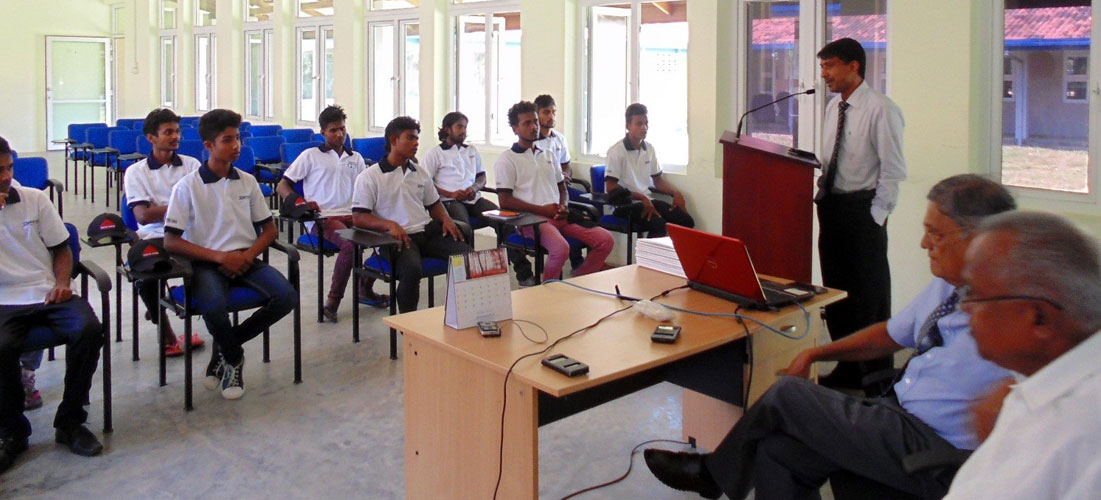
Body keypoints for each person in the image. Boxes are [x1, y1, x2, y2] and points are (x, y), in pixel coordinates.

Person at [643, 175, 1015, 500]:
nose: (923, 243)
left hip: (934, 447)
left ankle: (711, 474)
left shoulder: (1016, 314)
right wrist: (817, 353)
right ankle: (713, 475)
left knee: (788, 394)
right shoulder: (947, 287)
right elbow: (890, 334)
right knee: (778, 452)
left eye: (936, 233)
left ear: (979, 239)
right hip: (894, 414)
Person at [942, 212, 1101, 499]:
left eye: (975, 294)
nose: (965, 308)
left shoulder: (1081, 432)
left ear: (1038, 317)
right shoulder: (1036, 384)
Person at [163, 109, 298, 400]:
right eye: (227, 140)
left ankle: (226, 349)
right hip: (207, 263)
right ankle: (234, 358)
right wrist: (220, 257)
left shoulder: (247, 181)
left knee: (286, 297)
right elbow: (171, 241)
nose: (236, 145)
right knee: (213, 307)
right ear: (208, 145)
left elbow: (269, 230)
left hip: (246, 259)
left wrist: (247, 256)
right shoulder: (187, 187)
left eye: (237, 138)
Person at [0, 135, 105, 471]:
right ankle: (12, 430)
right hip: (4, 300)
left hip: (47, 292)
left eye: (9, 168)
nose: (6, 177)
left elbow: (62, 248)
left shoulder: (34, 199)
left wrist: (61, 283)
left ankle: (70, 421)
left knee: (89, 330)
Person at [814, 37, 907, 391]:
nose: (824, 74)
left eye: (830, 66)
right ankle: (847, 367)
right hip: (832, 207)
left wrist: (876, 217)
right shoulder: (832, 108)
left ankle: (876, 376)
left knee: (869, 296)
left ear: (854, 66)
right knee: (837, 294)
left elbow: (893, 171)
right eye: (822, 67)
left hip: (863, 211)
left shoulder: (881, 109)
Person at [351, 116, 472, 313]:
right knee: (412, 269)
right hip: (396, 239)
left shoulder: (420, 172)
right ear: (394, 140)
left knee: (467, 257)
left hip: (426, 232)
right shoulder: (370, 177)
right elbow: (359, 217)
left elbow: (434, 204)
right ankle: (407, 322)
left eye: (417, 138)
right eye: (410, 138)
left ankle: (464, 312)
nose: (416, 143)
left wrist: (446, 218)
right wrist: (390, 225)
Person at [277, 105, 386, 322]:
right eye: (333, 130)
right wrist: (300, 203)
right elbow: (283, 185)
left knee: (391, 235)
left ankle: (365, 287)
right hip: (324, 218)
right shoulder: (310, 156)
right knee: (350, 245)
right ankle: (332, 302)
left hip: (353, 215)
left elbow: (364, 189)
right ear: (323, 133)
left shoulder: (356, 158)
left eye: (342, 129)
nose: (339, 134)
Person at [494, 101, 613, 281]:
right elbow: (505, 201)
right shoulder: (507, 160)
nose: (534, 127)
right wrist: (543, 210)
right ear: (515, 129)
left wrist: (563, 205)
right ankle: (548, 289)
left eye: (535, 121)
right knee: (561, 249)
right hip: (532, 220)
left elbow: (561, 187)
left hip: (559, 215)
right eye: (527, 123)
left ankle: (579, 278)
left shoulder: (548, 153)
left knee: (605, 239)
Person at [421, 111, 534, 285]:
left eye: (465, 127)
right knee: (463, 228)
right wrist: (450, 193)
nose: (463, 131)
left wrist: (474, 188)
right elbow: (426, 184)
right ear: (447, 129)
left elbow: (481, 177)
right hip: (449, 202)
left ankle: (524, 273)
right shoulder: (435, 154)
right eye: (459, 127)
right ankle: (470, 279)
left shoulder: (471, 150)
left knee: (505, 221)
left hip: (474, 199)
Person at [124, 108, 203, 354]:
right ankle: (165, 328)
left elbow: (204, 203)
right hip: (155, 235)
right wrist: (183, 206)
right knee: (147, 270)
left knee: (215, 263)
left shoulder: (191, 164)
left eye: (177, 131)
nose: (175, 136)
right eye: (168, 132)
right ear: (151, 138)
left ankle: (166, 304)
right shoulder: (136, 172)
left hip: (191, 233)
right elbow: (143, 216)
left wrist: (162, 208)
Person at [604, 103, 694, 237]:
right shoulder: (616, 151)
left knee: (686, 221)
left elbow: (658, 181)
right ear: (628, 126)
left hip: (647, 200)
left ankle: (671, 252)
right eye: (639, 124)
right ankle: (647, 252)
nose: (644, 127)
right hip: (624, 205)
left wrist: (675, 193)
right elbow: (611, 187)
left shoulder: (649, 149)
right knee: (658, 224)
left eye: (646, 123)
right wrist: (641, 197)